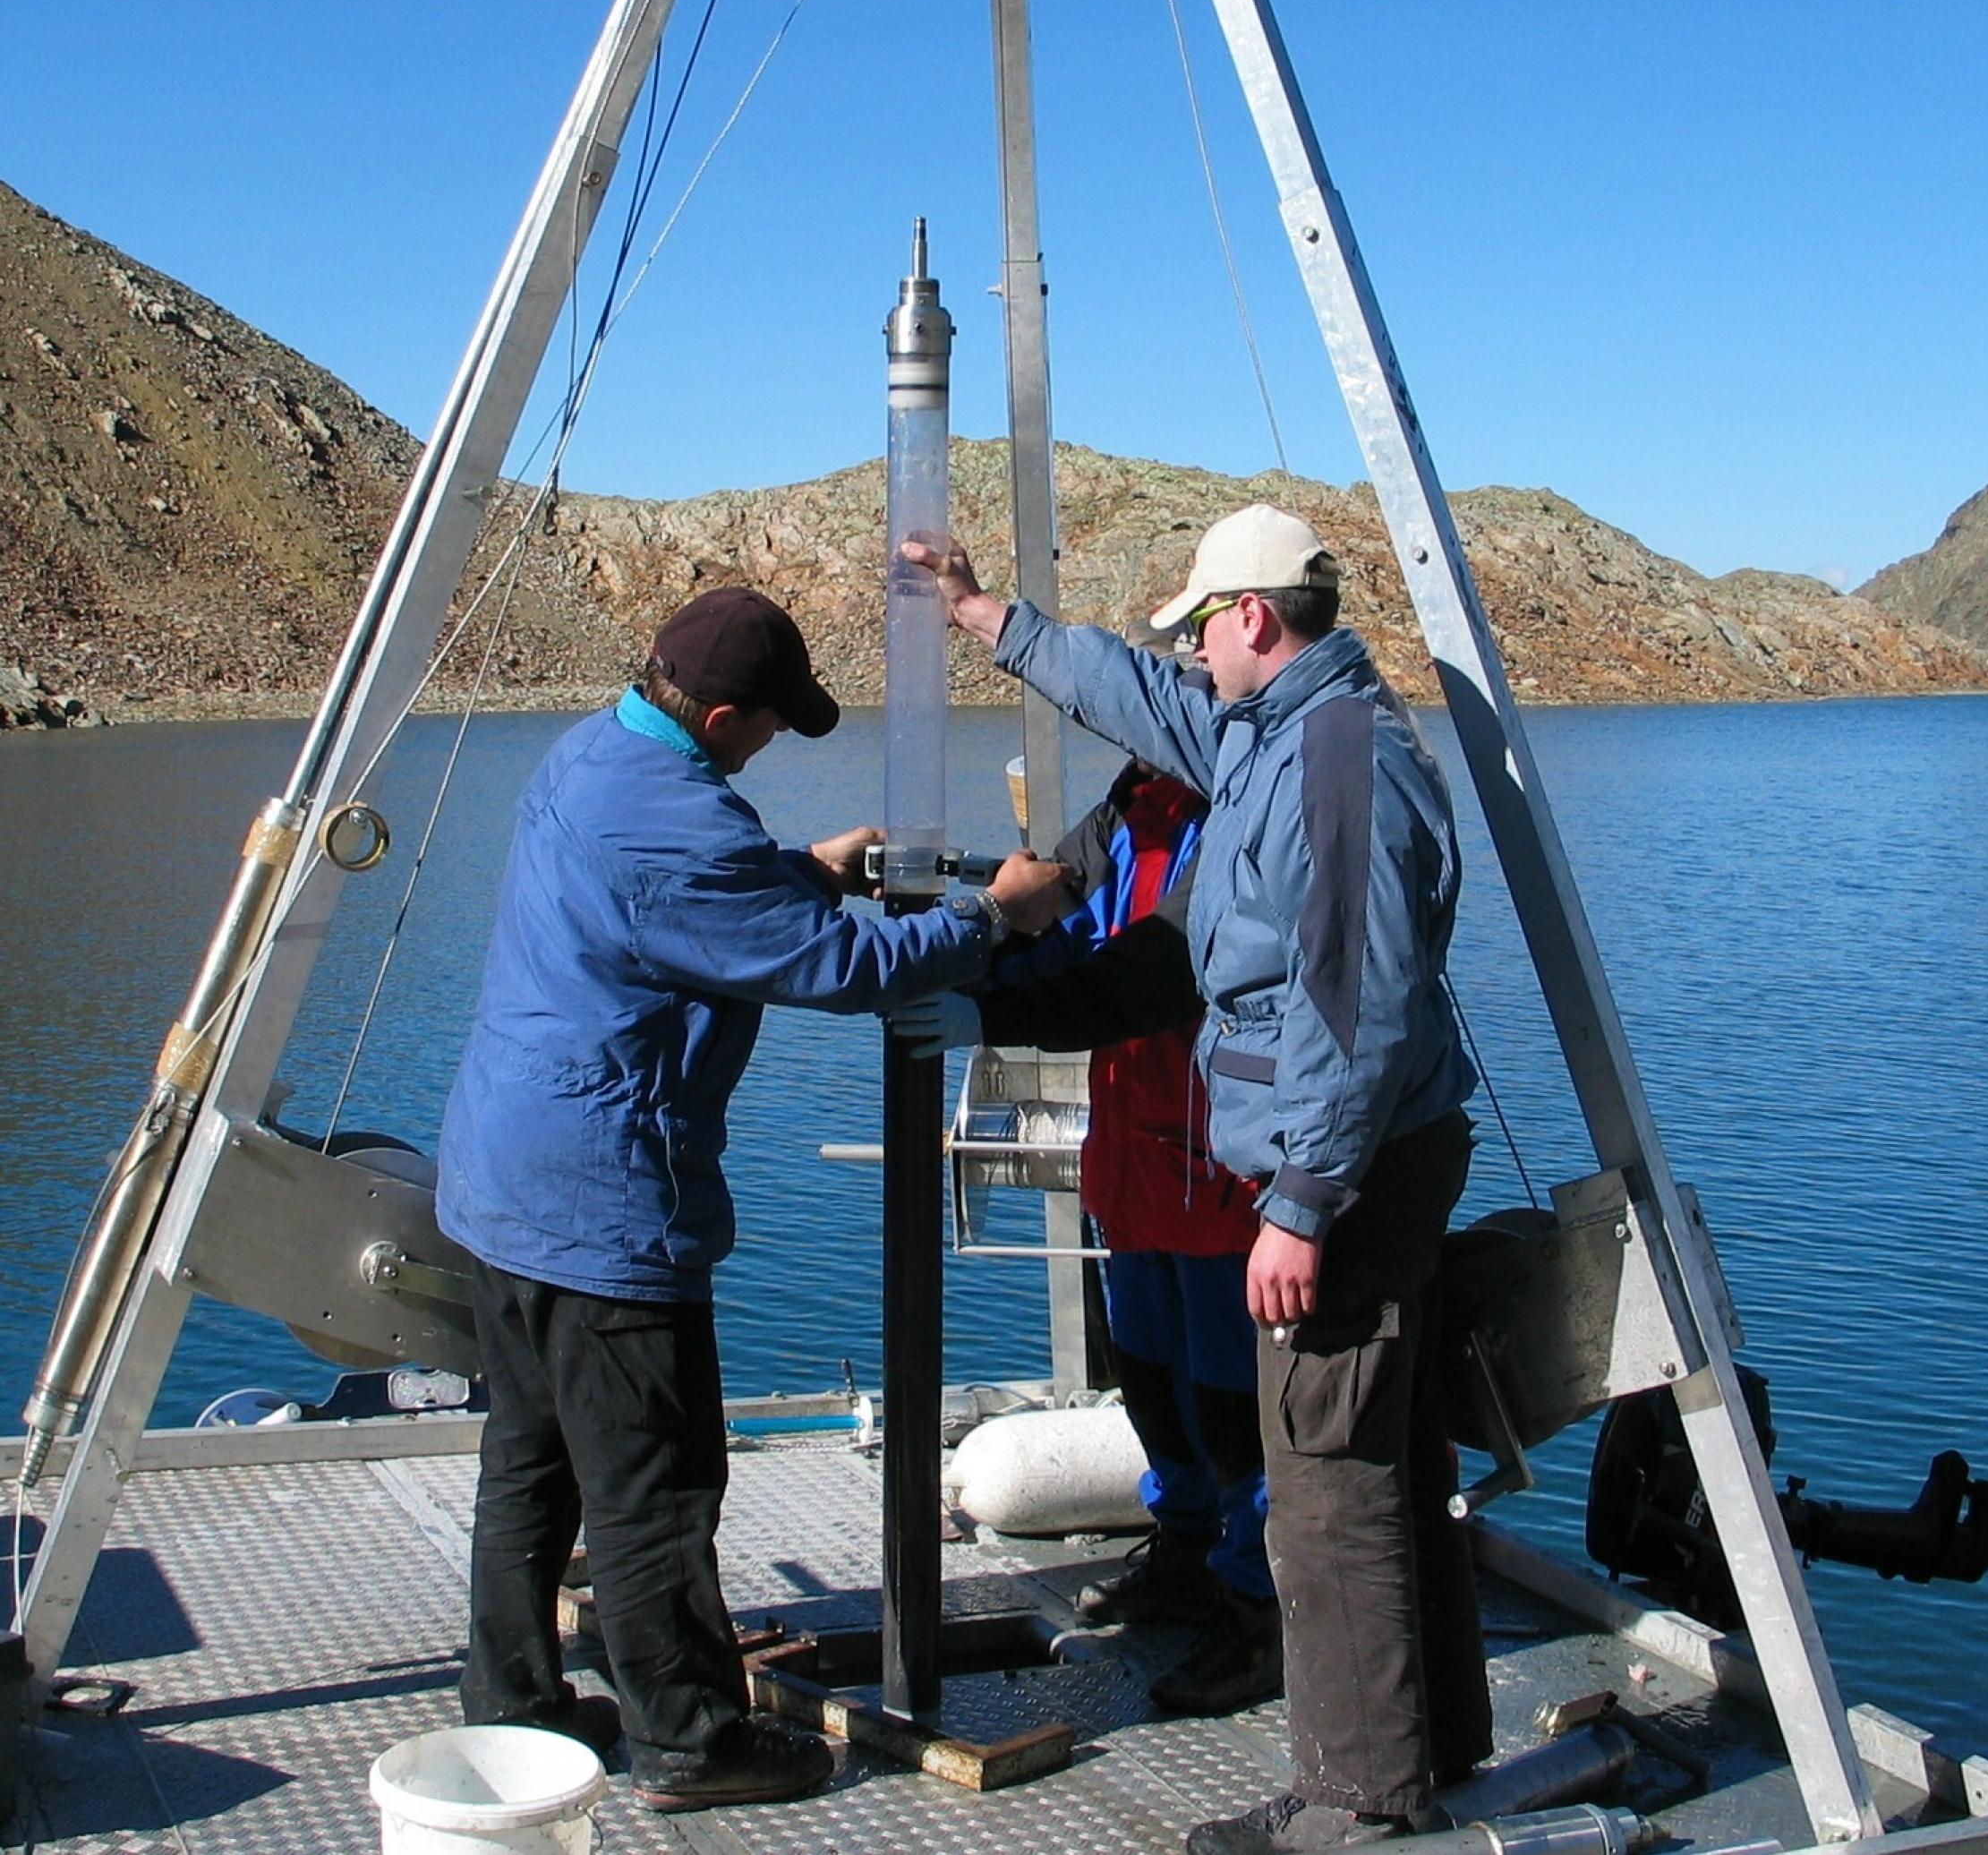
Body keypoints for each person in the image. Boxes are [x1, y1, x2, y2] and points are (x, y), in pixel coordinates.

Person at [905, 508, 1492, 1852]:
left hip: (1349, 1170)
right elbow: (1142, 691)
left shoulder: (1334, 763)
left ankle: (1355, 1798)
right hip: (1351, 1157)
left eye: (1199, 627)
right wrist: (987, 617)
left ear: (1251, 617)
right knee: (1390, 1458)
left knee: (1330, 1481)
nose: (1188, 654)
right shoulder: (1277, 729)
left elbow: (1356, 1006)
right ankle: (1432, 1740)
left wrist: (1297, 1203)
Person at [436, 585, 1071, 1814]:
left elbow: (687, 902)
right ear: (720, 714)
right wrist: (991, 916)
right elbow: (833, 965)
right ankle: (688, 1741)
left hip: (499, 1184)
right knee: (656, 1484)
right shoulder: (680, 822)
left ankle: (512, 1697)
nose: (772, 742)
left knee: (531, 1458)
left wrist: (796, 868)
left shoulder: (594, 749)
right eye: (768, 726)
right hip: (600, 1202)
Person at [894, 753, 1280, 1717]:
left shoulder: (1252, 808)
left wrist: (987, 1010)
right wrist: (965, 950)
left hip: (1216, 1166)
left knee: (1234, 1401)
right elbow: (1060, 924)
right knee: (1147, 1370)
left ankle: (1261, 1603)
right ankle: (1186, 1547)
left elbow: (1151, 973)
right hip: (1135, 1162)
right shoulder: (1130, 804)